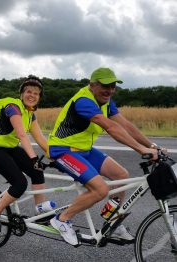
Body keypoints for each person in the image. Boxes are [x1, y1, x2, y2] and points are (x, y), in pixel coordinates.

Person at [47, 67, 159, 246]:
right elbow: (111, 127)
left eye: (113, 86)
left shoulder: (106, 101)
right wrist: (140, 150)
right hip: (63, 150)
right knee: (100, 189)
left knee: (121, 175)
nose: (110, 90)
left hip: (85, 150)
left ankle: (113, 222)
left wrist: (152, 146)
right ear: (92, 85)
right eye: (105, 86)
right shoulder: (84, 100)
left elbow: (126, 125)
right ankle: (61, 219)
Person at [0, 75, 50, 233]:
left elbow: (40, 138)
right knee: (20, 183)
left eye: (36, 93)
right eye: (28, 91)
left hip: (10, 148)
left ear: (39, 98)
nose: (32, 95)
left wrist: (60, 158)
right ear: (22, 94)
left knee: (37, 172)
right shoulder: (13, 106)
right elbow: (22, 135)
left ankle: (40, 212)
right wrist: (33, 158)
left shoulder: (30, 114)